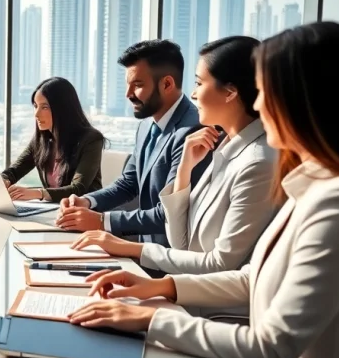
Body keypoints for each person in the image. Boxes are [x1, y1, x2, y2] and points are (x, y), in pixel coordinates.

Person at [68, 22, 339, 358]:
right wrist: (160, 287)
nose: (259, 104)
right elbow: (254, 278)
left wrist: (151, 318)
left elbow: (269, 350)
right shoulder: (315, 186)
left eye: (265, 91)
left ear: (300, 100)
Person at [71, 37, 276, 275]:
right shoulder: (218, 146)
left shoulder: (251, 159)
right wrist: (184, 169)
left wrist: (116, 235)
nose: (194, 93)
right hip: (170, 269)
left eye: (199, 83)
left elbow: (219, 264)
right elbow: (182, 239)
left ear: (230, 92)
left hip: (180, 279)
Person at [55, 40, 203, 246]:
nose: (128, 94)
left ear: (167, 84)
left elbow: (171, 213)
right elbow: (128, 183)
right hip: (143, 251)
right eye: (128, 84)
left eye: (138, 85)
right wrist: (87, 201)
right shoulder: (146, 126)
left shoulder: (193, 131)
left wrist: (101, 221)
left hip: (170, 257)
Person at [1, 77, 105, 202]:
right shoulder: (41, 140)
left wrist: (38, 193)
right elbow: (14, 171)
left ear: (63, 108)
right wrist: (4, 180)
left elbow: (78, 189)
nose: (36, 114)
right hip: (52, 209)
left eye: (44, 107)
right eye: (35, 106)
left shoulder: (91, 140)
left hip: (84, 210)